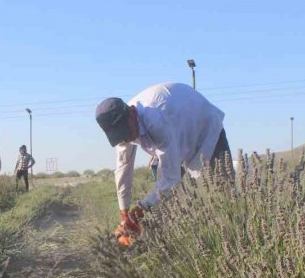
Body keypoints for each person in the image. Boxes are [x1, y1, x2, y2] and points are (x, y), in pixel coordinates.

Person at [95, 82, 229, 245]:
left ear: (132, 113)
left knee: (223, 196)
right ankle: (164, 244)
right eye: (121, 136)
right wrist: (125, 214)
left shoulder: (157, 119)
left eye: (127, 132)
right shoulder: (123, 132)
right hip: (173, 137)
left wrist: (140, 210)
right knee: (164, 205)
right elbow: (123, 170)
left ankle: (225, 239)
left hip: (204, 129)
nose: (128, 138)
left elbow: (171, 180)